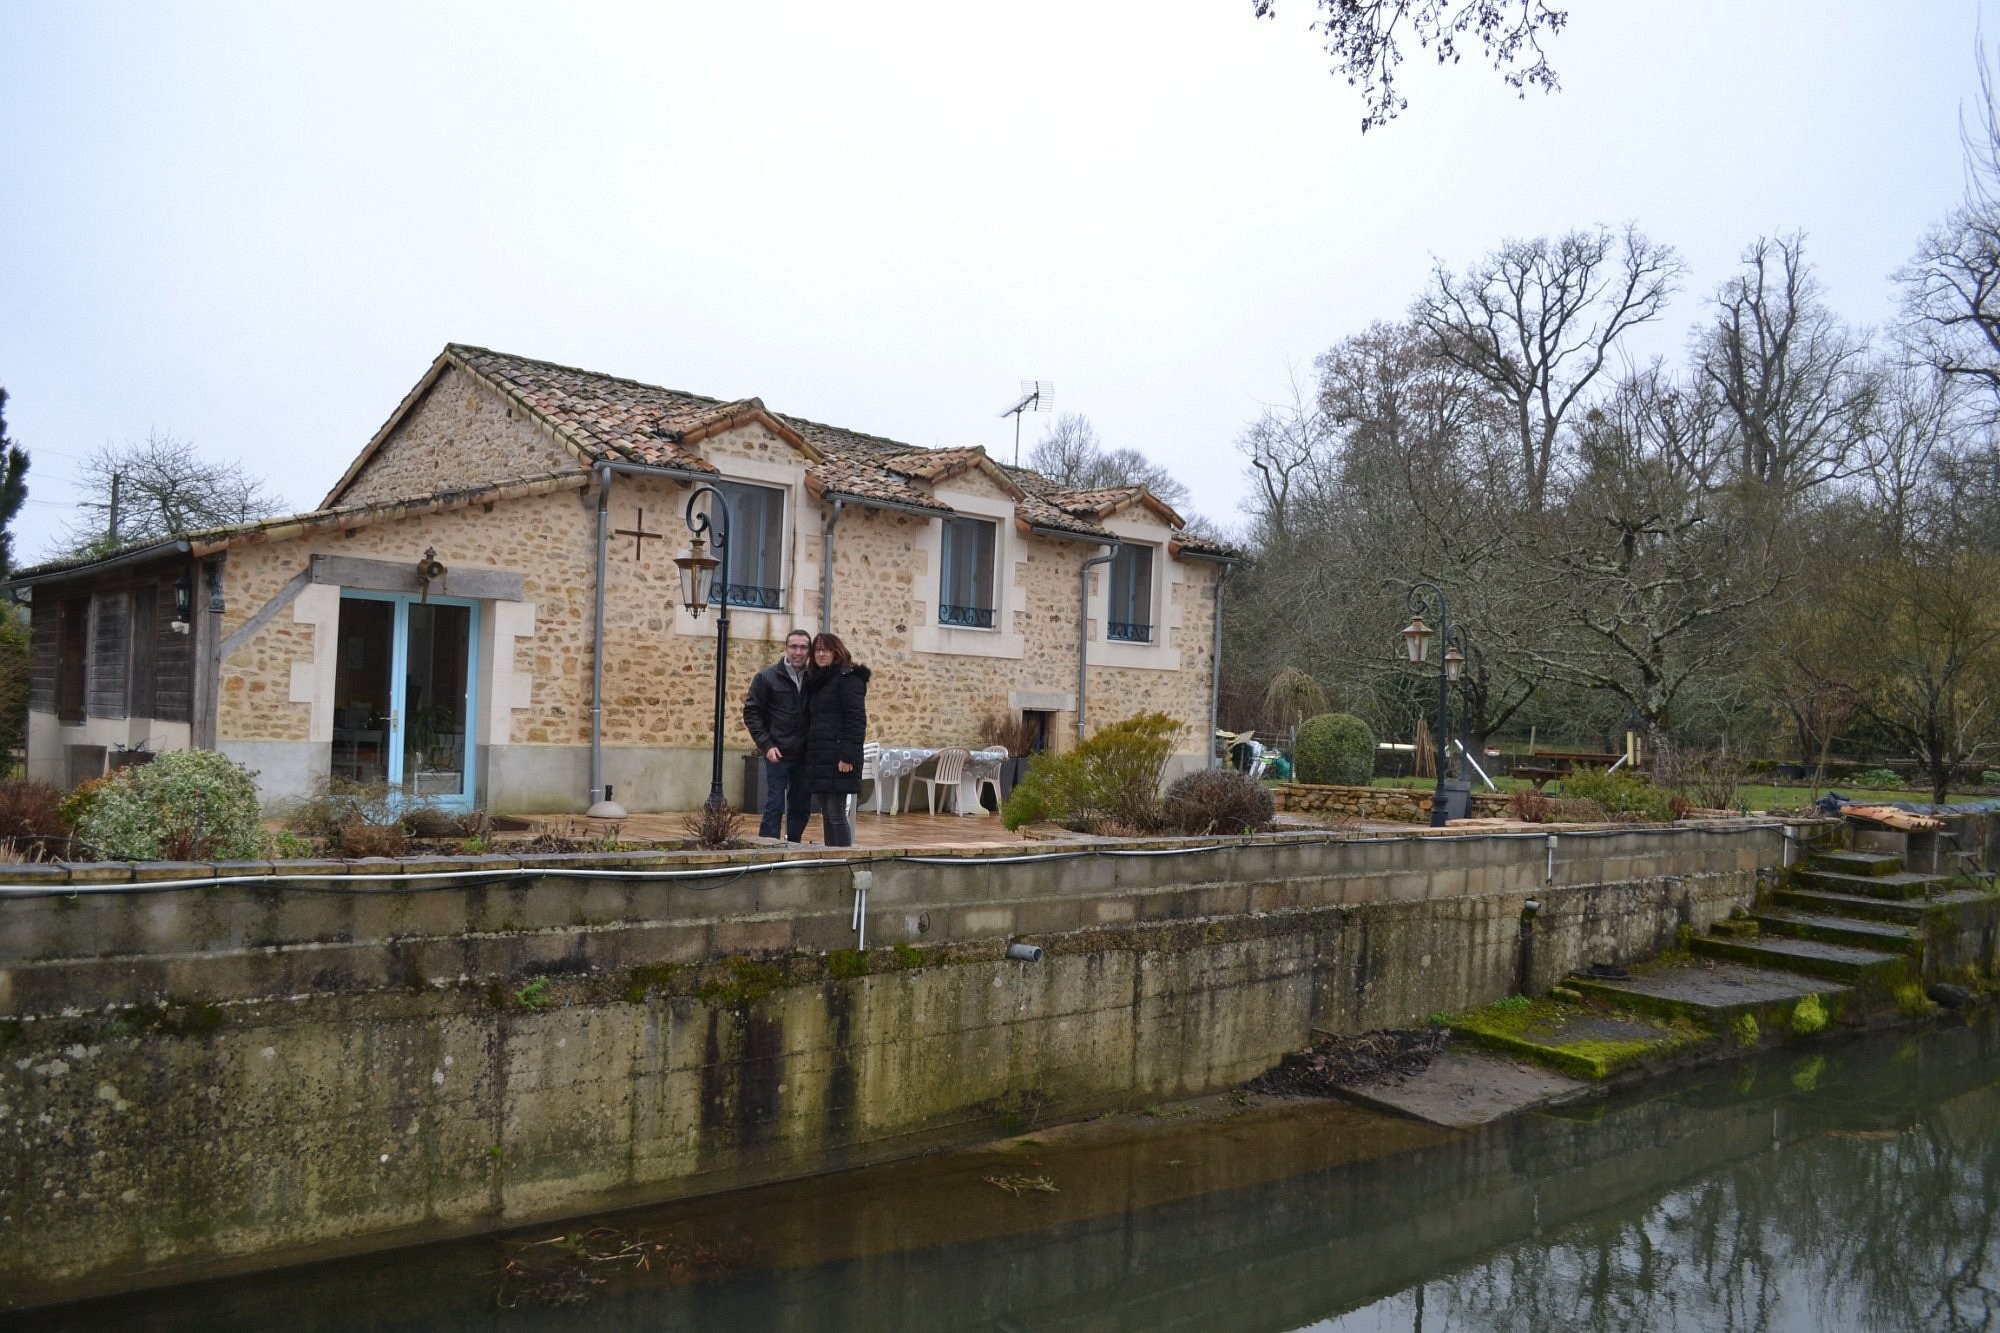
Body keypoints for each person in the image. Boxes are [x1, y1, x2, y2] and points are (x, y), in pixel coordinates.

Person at [742, 629, 813, 841]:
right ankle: (768, 847)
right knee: (774, 804)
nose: (798, 652)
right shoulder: (766, 677)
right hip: (778, 752)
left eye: (803, 647)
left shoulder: (815, 679)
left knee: (801, 805)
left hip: (805, 754)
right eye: (794, 646)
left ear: (808, 651)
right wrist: (766, 744)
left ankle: (794, 845)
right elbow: (752, 712)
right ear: (786, 648)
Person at [800, 631, 870, 848]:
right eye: (817, 650)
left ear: (836, 651)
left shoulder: (848, 679)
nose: (821, 654)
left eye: (826, 650)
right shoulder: (818, 681)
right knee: (827, 814)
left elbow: (856, 720)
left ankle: (843, 858)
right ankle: (832, 855)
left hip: (839, 757)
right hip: (820, 756)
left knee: (836, 813)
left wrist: (848, 756)